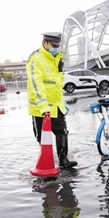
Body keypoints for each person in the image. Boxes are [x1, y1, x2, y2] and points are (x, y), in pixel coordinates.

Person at [26, 31, 77, 169]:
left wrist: (61, 104)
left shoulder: (57, 58)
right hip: (40, 108)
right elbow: (36, 85)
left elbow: (57, 83)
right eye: (53, 45)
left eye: (57, 45)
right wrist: (44, 108)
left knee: (62, 132)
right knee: (42, 137)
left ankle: (63, 160)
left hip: (56, 106)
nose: (56, 48)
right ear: (44, 43)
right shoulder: (35, 59)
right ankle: (46, 162)